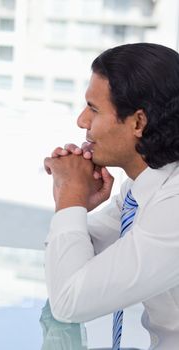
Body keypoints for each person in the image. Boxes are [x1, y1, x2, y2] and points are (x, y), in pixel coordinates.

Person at [43, 42, 179, 350]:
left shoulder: (174, 208)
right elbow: (66, 267)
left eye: (93, 109)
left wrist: (71, 198)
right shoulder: (141, 187)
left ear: (138, 123)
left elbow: (68, 303)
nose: (82, 121)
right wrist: (72, 200)